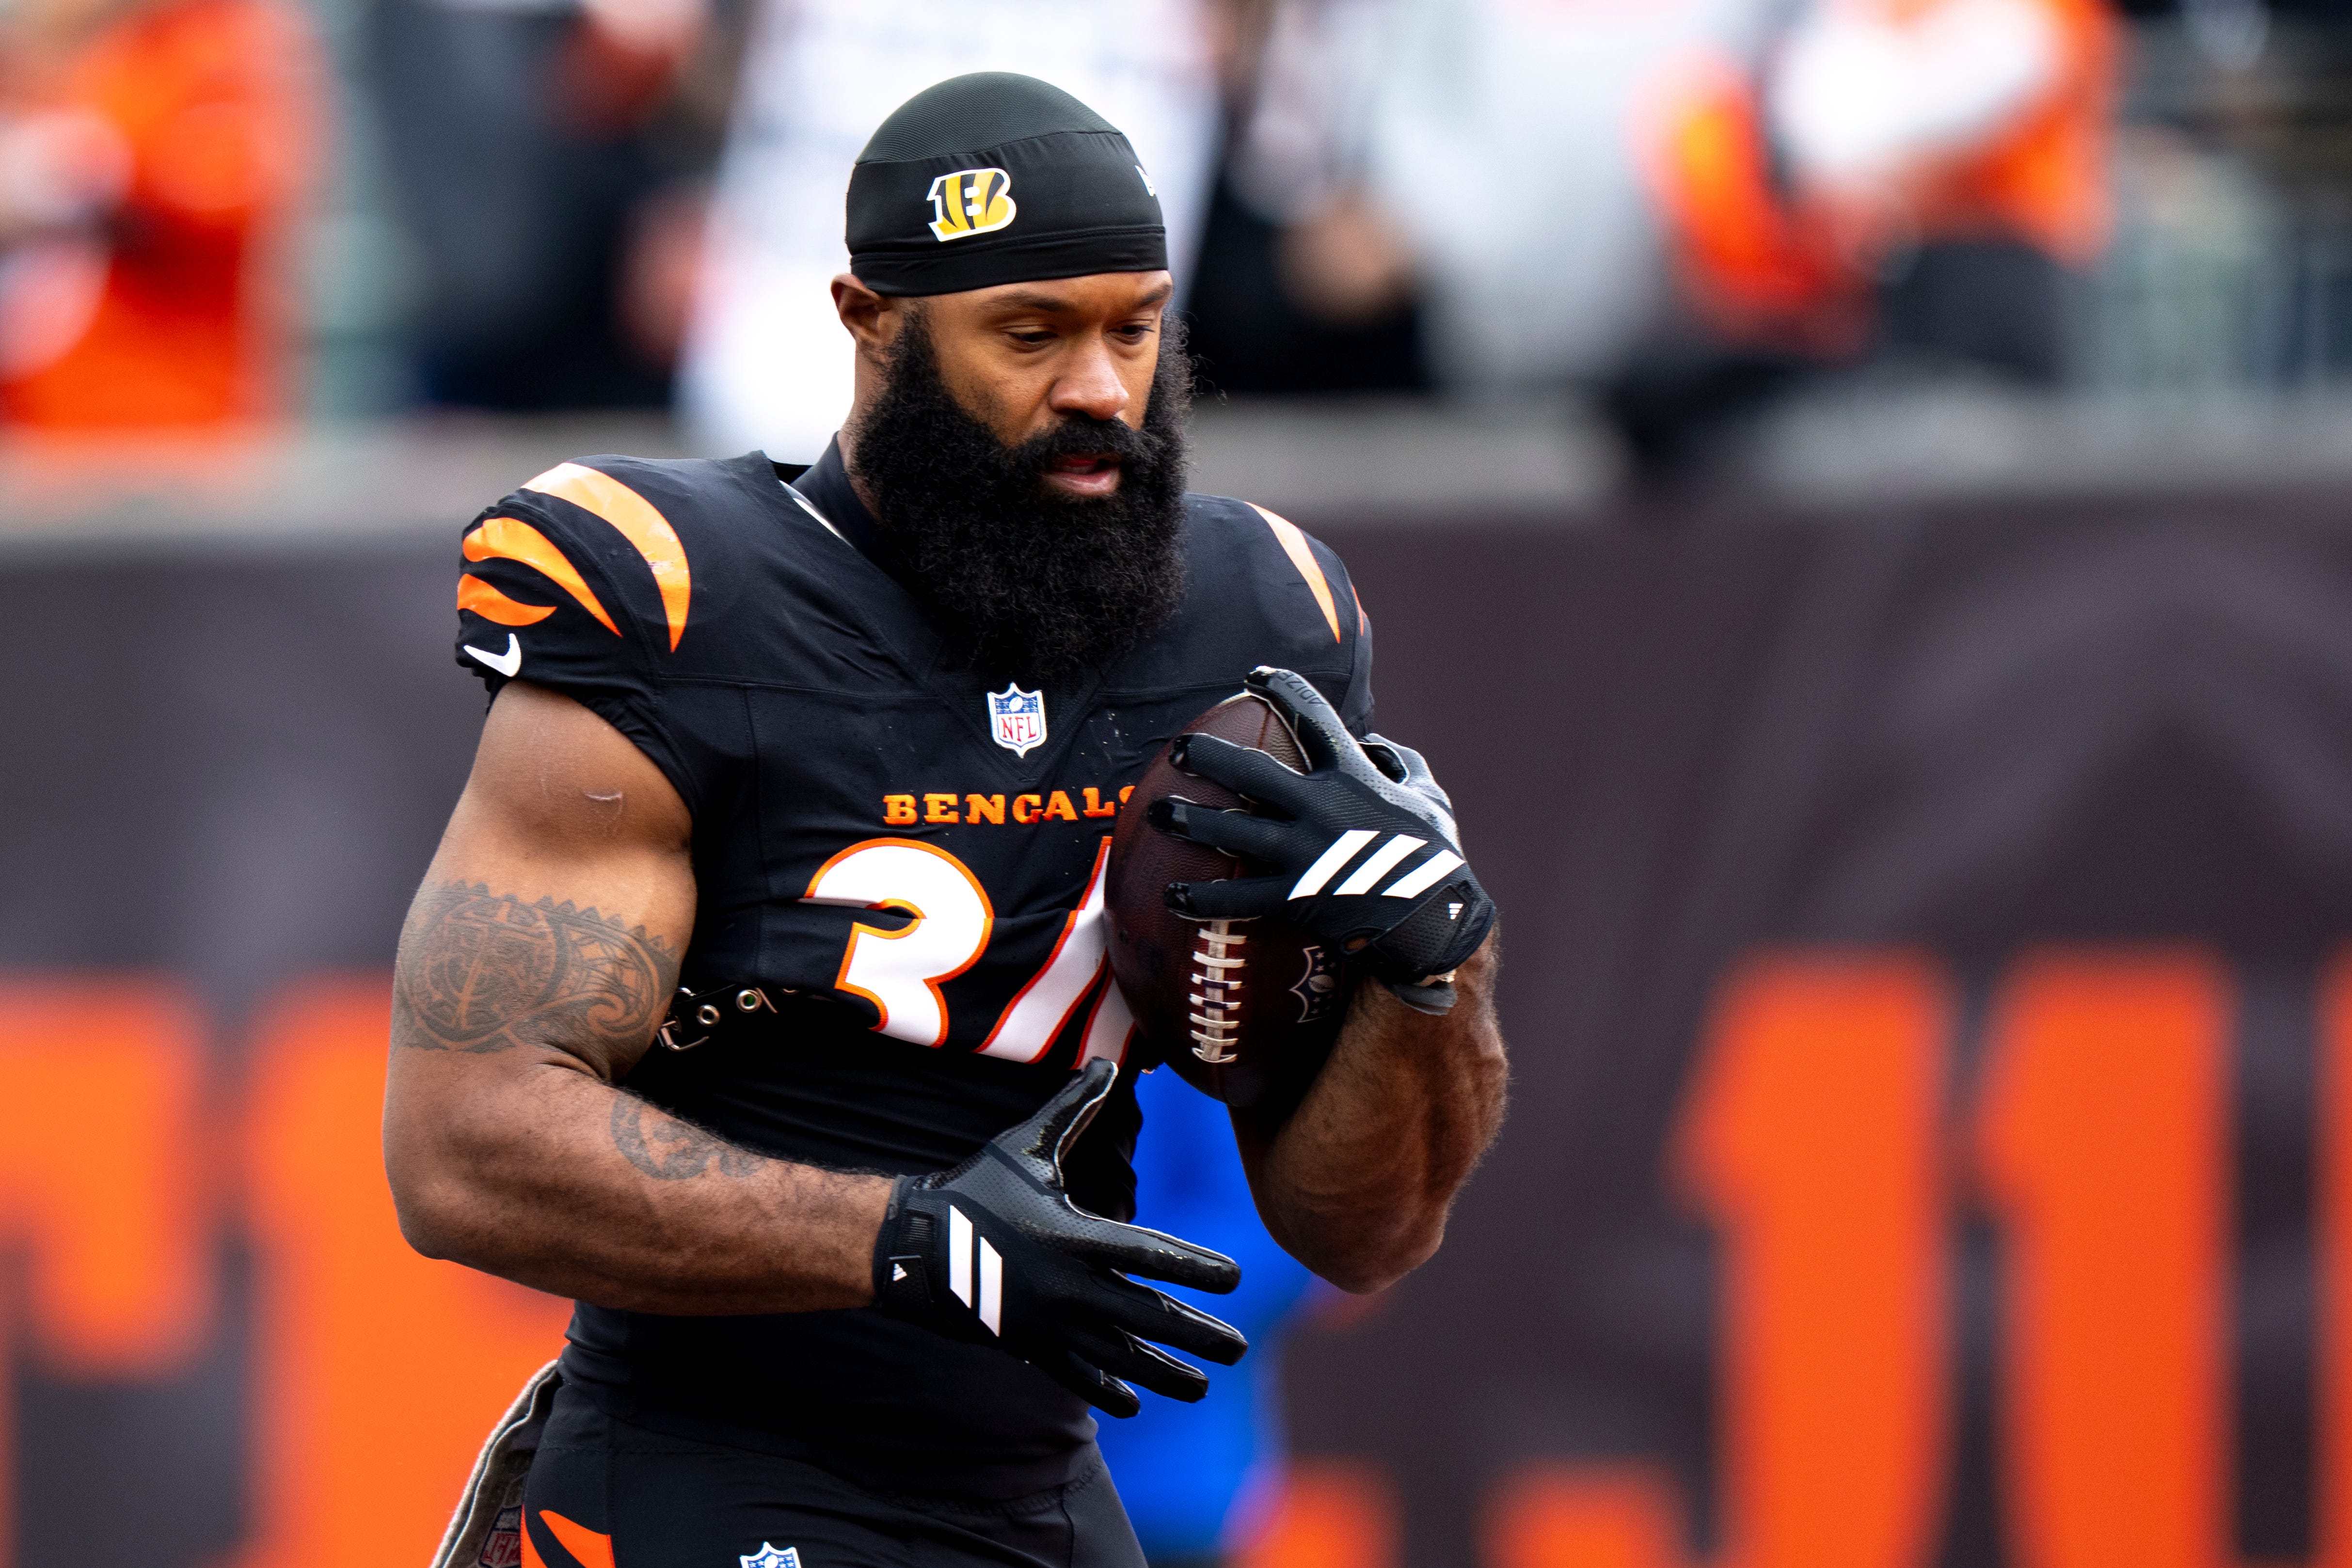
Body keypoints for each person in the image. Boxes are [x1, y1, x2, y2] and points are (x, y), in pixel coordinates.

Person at [385, 71, 1506, 1568]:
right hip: (712, 1470)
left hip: (1031, 1479)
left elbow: (1364, 1228)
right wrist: (906, 1237)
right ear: (871, 322)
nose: (1101, 387)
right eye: (1030, 334)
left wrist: (1430, 968)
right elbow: (460, 1145)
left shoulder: (1256, 622)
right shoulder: (683, 599)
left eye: (1132, 323)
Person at [1095, 1064, 1320, 1566]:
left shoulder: (1194, 1022)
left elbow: (1264, 1233)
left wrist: (1083, 1310)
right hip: (939, 1469)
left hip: (1159, 1487)